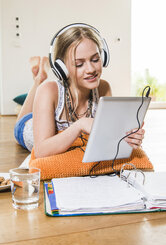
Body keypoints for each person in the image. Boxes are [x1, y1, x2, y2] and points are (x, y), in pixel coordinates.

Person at [14, 24, 145, 177]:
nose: (90, 69)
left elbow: (108, 135)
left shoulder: (103, 88)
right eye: (79, 64)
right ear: (61, 68)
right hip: (28, 128)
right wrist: (80, 125)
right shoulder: (48, 90)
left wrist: (129, 136)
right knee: (20, 123)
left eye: (95, 59)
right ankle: (38, 79)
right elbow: (42, 150)